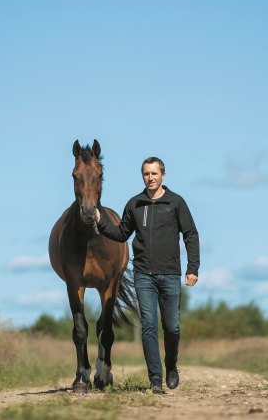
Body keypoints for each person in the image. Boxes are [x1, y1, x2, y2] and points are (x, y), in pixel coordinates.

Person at [95, 157, 199, 393]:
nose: (150, 178)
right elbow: (122, 234)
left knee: (172, 327)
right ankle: (155, 379)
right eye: (146, 174)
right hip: (143, 275)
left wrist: (193, 268)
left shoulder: (176, 202)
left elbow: (190, 234)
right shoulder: (135, 204)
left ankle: (171, 366)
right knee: (149, 327)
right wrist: (101, 222)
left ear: (163, 175)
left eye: (154, 173)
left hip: (170, 273)